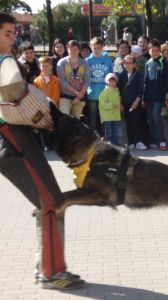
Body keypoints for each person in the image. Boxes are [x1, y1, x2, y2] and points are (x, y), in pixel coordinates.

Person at [0, 11, 84, 290]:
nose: (13, 38)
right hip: (13, 143)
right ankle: (51, 272)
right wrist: (32, 99)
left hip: (15, 143)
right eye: (7, 34)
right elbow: (12, 88)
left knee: (48, 201)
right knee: (50, 203)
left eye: (14, 33)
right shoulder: (5, 61)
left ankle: (46, 266)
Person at [143, 39, 168, 150]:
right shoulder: (147, 63)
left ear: (159, 51)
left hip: (159, 97)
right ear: (149, 51)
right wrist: (143, 98)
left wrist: (163, 94)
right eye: (152, 50)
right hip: (149, 97)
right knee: (150, 118)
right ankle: (155, 141)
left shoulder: (163, 62)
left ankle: (162, 141)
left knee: (156, 116)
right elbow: (145, 81)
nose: (154, 52)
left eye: (156, 50)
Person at [117, 54, 147, 153]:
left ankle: (139, 141)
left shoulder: (138, 75)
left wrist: (136, 102)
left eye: (130, 63)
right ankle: (131, 142)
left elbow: (141, 90)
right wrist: (120, 104)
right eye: (126, 63)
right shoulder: (121, 76)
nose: (128, 65)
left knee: (137, 121)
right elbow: (119, 91)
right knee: (128, 122)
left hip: (135, 102)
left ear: (134, 64)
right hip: (125, 102)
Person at [86, 37, 113, 133]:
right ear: (91, 47)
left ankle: (105, 135)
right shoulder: (87, 61)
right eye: (94, 48)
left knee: (104, 116)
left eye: (98, 48)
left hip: (104, 93)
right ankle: (93, 135)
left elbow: (111, 76)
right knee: (92, 116)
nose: (96, 50)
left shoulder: (108, 60)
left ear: (102, 47)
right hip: (92, 93)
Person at [57, 40, 91, 118]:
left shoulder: (84, 63)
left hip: (80, 97)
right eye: (71, 49)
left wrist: (79, 96)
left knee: (76, 121)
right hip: (65, 95)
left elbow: (87, 80)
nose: (73, 51)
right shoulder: (61, 63)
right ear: (67, 49)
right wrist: (76, 93)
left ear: (79, 50)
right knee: (64, 119)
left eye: (75, 49)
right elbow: (62, 81)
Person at [99, 73, 122, 145]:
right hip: (107, 117)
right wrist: (112, 105)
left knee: (116, 133)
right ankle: (108, 148)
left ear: (116, 82)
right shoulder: (104, 92)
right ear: (107, 82)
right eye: (110, 81)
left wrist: (119, 106)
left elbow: (118, 102)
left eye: (113, 81)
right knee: (108, 133)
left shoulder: (117, 92)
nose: (112, 82)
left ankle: (116, 147)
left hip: (116, 116)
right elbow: (102, 104)